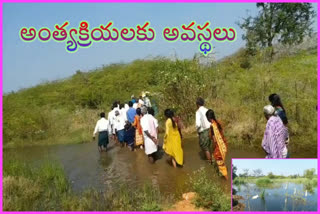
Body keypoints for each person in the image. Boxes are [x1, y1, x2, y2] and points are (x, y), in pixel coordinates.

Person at [206, 109, 228, 180]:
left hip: (219, 148)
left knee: (221, 165)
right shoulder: (218, 122)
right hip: (224, 146)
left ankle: (226, 180)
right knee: (221, 163)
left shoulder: (212, 126)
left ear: (209, 118)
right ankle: (222, 177)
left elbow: (215, 140)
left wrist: (213, 149)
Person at [195, 97, 212, 163]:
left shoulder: (198, 112)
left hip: (203, 131)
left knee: (205, 148)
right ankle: (210, 159)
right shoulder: (207, 110)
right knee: (208, 145)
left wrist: (197, 130)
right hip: (210, 130)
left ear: (197, 104)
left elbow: (198, 124)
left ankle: (209, 162)